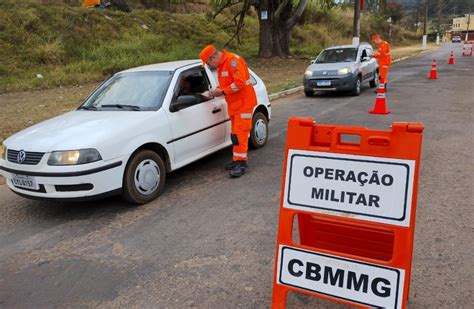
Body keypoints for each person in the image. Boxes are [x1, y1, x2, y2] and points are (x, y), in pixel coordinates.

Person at [199, 45, 257, 178]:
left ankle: (241, 163)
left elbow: (240, 83)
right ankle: (237, 159)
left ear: (213, 57)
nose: (210, 65)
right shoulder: (222, 65)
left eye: (209, 63)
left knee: (240, 133)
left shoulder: (232, 61)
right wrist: (216, 91)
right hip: (235, 104)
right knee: (235, 134)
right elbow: (227, 84)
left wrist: (223, 91)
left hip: (243, 103)